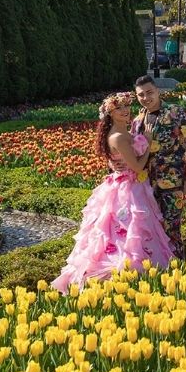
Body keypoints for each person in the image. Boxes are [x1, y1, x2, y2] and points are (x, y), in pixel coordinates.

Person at [52, 93, 175, 293]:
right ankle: (129, 271)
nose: (126, 110)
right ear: (110, 113)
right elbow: (136, 167)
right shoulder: (118, 137)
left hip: (129, 184)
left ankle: (143, 271)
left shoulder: (126, 131)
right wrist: (148, 146)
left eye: (127, 106)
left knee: (131, 230)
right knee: (129, 229)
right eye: (119, 108)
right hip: (129, 188)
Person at [132, 76, 186, 258]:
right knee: (151, 230)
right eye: (141, 95)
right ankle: (158, 269)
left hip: (172, 182)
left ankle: (177, 267)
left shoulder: (175, 113)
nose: (146, 98)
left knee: (171, 228)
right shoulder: (137, 121)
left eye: (149, 92)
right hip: (146, 185)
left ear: (158, 91)